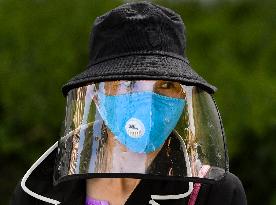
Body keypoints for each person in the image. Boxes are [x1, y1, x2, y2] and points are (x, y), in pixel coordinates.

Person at [10, 1, 247, 205]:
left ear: (183, 96)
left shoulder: (213, 193)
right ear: (96, 94)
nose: (147, 103)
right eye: (129, 83)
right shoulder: (36, 193)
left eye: (166, 85)